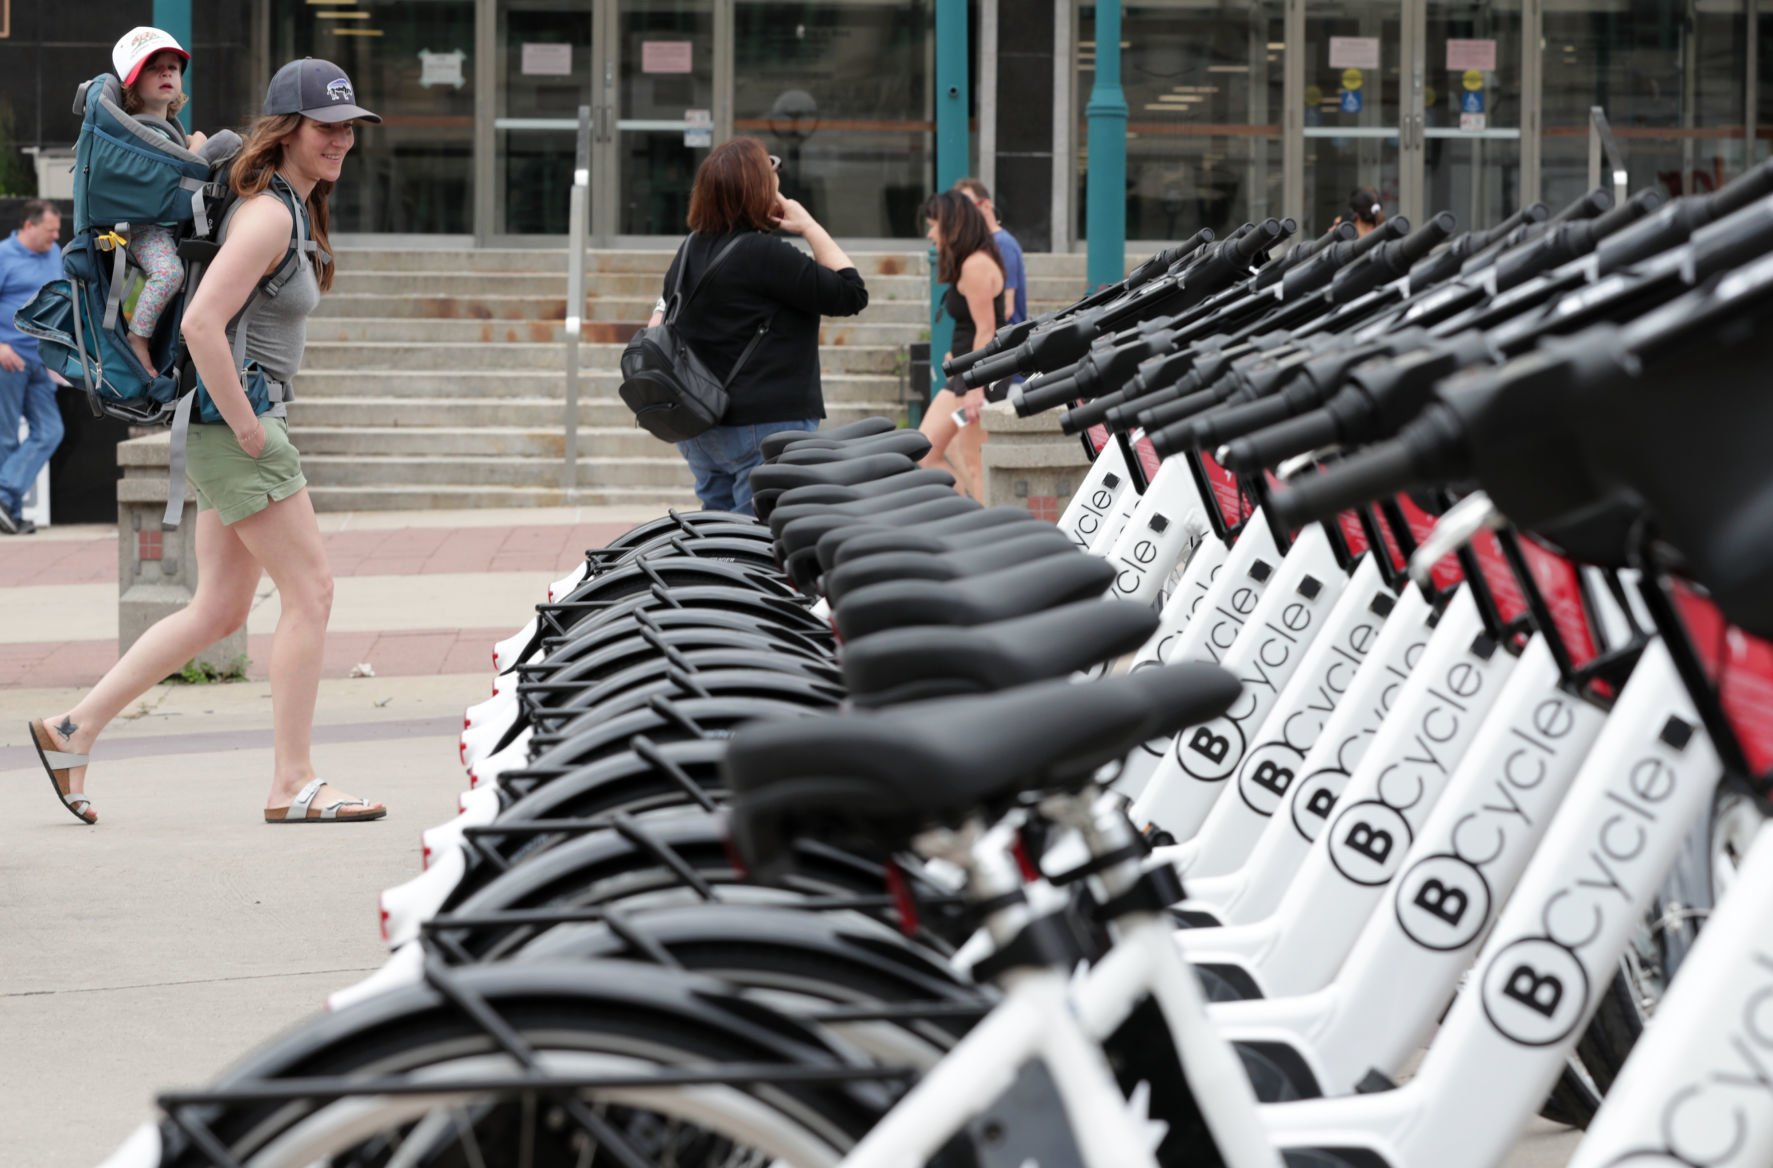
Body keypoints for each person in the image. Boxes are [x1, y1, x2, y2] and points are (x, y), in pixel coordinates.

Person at [25, 58, 387, 827]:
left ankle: (72, 729)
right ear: (286, 129)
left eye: (348, 128)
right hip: (239, 425)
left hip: (227, 422)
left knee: (218, 609)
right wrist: (253, 427)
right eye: (325, 128)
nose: (340, 141)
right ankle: (294, 781)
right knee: (311, 593)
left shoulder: (284, 202)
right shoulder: (270, 214)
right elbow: (199, 325)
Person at [646, 136, 869, 516]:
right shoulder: (764, 254)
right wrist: (809, 225)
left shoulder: (690, 249)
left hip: (701, 425)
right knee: (759, 546)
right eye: (772, 171)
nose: (778, 179)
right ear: (758, 188)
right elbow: (851, 293)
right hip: (762, 426)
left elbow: (659, 315)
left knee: (719, 542)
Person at [109, 26, 210, 375]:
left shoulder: (168, 126)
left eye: (174, 67)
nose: (167, 72)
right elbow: (179, 168)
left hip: (165, 224)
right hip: (144, 228)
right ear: (132, 85)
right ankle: (138, 337)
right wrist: (198, 147)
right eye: (154, 67)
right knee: (169, 273)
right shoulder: (138, 129)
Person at [917, 190, 1005, 502]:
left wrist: (974, 388)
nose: (930, 233)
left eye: (934, 225)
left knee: (971, 461)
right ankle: (967, 518)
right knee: (927, 453)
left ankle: (988, 531)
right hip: (966, 376)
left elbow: (987, 328)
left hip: (974, 381)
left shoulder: (975, 265)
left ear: (951, 225)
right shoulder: (973, 262)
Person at [0, 200, 66, 536]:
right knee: (6, 437)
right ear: (29, 225)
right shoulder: (3, 255)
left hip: (42, 361)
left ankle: (4, 495)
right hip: (8, 361)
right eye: (50, 230)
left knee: (51, 431)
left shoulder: (54, 253)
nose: (56, 237)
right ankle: (8, 510)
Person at [954, 177, 1027, 326]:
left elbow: (1007, 308)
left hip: (1003, 340)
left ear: (986, 206)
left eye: (969, 207)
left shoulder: (1003, 244)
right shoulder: (987, 244)